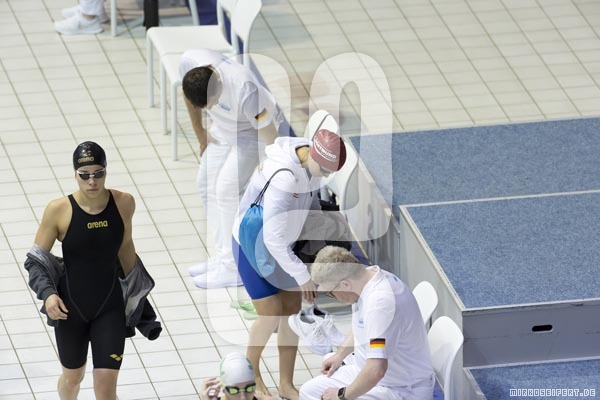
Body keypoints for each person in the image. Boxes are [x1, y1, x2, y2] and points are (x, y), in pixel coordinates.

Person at [231, 129, 347, 400]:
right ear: (315, 156)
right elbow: (271, 239)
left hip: (285, 244)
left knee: (291, 310)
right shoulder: (284, 177)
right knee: (270, 312)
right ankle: (253, 377)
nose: (325, 176)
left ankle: (286, 384)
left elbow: (310, 204)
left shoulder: (310, 162)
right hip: (253, 245)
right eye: (325, 170)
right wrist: (301, 276)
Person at [24, 141, 139, 400]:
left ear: (106, 171)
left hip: (109, 307)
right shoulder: (59, 210)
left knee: (105, 389)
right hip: (70, 310)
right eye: (84, 175)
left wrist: (137, 295)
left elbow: (126, 249)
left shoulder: (124, 203)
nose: (92, 181)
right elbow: (35, 261)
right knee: (72, 378)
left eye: (99, 173)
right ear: (75, 174)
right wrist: (48, 295)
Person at [181, 48, 280, 289]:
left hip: (252, 133)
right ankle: (223, 256)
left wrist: (274, 167)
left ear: (218, 82)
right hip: (222, 129)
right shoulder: (191, 62)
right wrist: (200, 133)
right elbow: (188, 97)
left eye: (213, 102)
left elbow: (270, 134)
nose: (211, 106)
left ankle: (234, 267)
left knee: (226, 191)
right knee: (205, 184)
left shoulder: (245, 88)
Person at [299, 246, 435, 400]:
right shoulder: (366, 276)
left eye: (331, 293)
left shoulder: (379, 305)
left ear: (345, 285)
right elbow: (362, 327)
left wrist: (341, 395)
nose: (334, 298)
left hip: (400, 389)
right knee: (309, 391)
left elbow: (377, 370)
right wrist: (339, 355)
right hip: (376, 373)